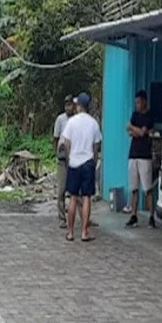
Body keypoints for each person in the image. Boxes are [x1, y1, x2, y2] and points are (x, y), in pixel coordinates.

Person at [59, 93, 101, 242]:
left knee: (73, 197)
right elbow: (96, 146)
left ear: (78, 106)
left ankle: (70, 232)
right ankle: (84, 231)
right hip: (88, 162)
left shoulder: (71, 122)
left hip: (74, 163)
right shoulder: (94, 123)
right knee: (86, 197)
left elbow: (66, 143)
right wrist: (94, 161)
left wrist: (70, 157)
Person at [125, 91, 157, 228]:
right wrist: (136, 131)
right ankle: (134, 215)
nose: (137, 105)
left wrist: (133, 128)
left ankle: (151, 216)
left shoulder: (148, 116)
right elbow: (131, 132)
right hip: (133, 154)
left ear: (144, 102)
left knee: (147, 188)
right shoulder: (135, 115)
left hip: (145, 155)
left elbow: (142, 132)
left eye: (139, 102)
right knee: (134, 188)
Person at [52, 95, 74, 228]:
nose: (68, 107)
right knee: (61, 190)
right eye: (66, 105)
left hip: (75, 156)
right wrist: (57, 153)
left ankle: (82, 217)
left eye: (70, 105)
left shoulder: (77, 120)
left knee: (75, 191)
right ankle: (61, 217)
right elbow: (55, 138)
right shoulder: (60, 119)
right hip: (62, 156)